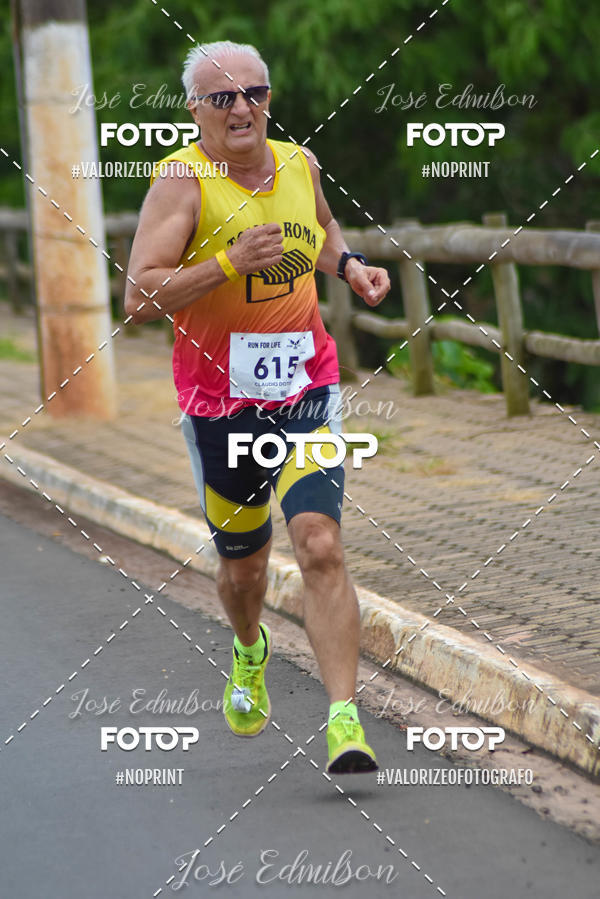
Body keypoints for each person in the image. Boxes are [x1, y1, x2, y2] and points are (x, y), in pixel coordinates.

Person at [125, 40, 391, 773]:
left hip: (308, 389)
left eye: (255, 93)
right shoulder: (182, 182)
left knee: (320, 543)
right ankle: (250, 647)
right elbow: (138, 295)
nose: (242, 107)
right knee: (244, 572)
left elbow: (320, 229)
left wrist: (350, 266)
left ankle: (343, 720)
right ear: (196, 110)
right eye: (223, 97)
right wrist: (227, 264)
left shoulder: (300, 164)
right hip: (220, 406)